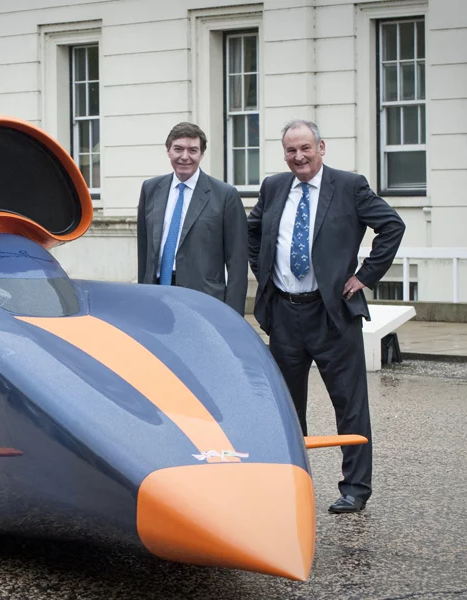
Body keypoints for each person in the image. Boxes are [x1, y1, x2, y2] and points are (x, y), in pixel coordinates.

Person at [247, 119, 405, 513]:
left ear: (321, 147)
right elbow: (252, 231)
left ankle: (355, 488)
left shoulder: (349, 186)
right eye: (290, 150)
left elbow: (391, 226)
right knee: (285, 404)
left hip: (331, 313)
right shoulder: (273, 186)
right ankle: (291, 481)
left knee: (349, 404)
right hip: (283, 312)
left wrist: (364, 276)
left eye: (305, 148)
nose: (298, 157)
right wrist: (262, 270)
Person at [137, 122, 248, 315]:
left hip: (204, 300)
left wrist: (233, 315)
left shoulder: (225, 195)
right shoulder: (151, 189)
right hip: (156, 296)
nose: (185, 157)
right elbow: (144, 249)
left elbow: (237, 263)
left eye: (192, 150)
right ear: (168, 151)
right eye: (178, 149)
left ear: (201, 154)